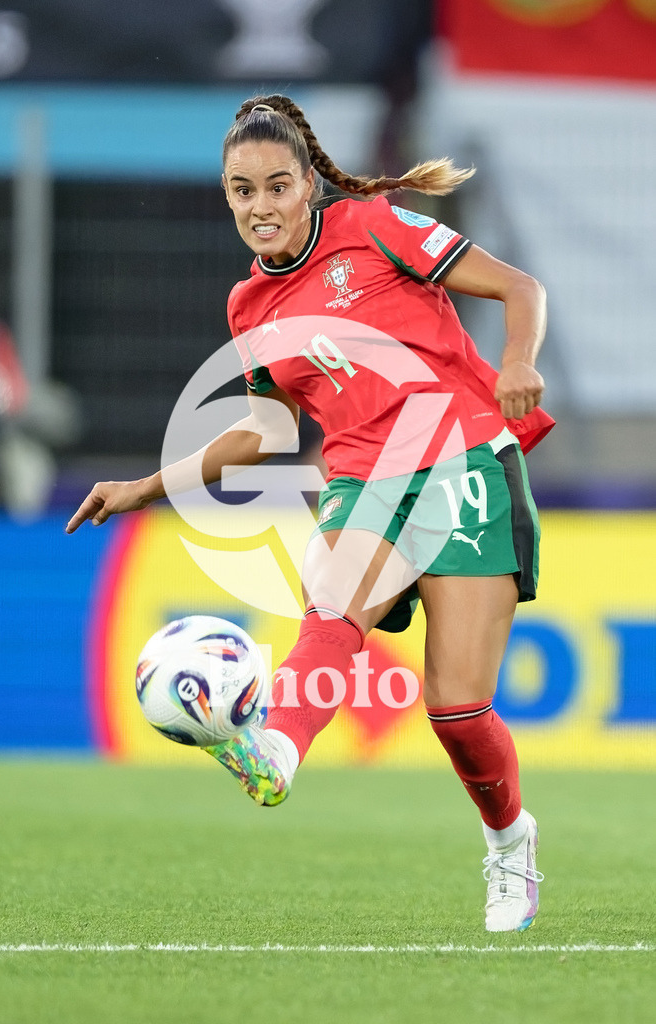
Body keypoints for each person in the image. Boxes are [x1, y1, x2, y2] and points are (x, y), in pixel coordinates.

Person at [66, 94, 553, 933]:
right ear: (227, 197)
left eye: (275, 187)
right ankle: (277, 754)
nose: (260, 208)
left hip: (464, 453)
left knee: (457, 709)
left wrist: (515, 363)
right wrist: (143, 486)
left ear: (307, 188)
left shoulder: (374, 228)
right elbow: (265, 433)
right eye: (241, 192)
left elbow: (518, 288)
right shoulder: (248, 308)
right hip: (364, 477)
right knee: (331, 604)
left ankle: (509, 842)